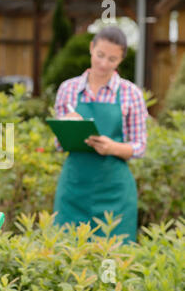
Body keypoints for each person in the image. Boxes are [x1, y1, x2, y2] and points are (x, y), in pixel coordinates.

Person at [53, 26, 148, 244]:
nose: (104, 64)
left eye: (112, 59)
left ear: (121, 59)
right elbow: (59, 144)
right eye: (100, 55)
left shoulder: (130, 93)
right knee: (68, 257)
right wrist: (68, 126)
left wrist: (112, 147)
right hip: (73, 190)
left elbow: (139, 146)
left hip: (114, 194)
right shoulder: (68, 90)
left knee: (113, 260)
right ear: (91, 48)